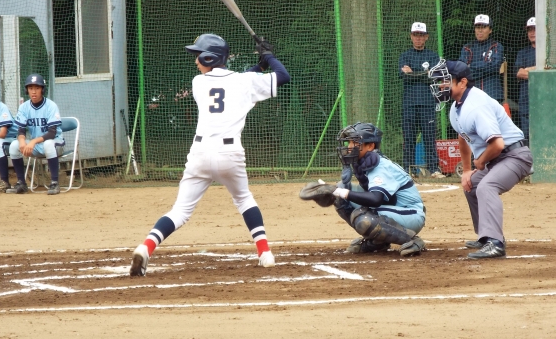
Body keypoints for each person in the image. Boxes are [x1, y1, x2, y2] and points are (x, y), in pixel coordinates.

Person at [129, 34, 290, 276]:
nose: (196, 61)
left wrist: (260, 64)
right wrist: (268, 57)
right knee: (244, 200)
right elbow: (282, 76)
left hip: (200, 155)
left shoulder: (199, 83)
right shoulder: (243, 82)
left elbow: (237, 81)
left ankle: (146, 247)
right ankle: (265, 253)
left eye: (199, 56)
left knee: (180, 211)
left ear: (209, 58)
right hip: (230, 154)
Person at [429, 60, 533, 259]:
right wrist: (467, 170)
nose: (441, 86)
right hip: (497, 159)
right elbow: (463, 137)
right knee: (472, 185)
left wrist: (480, 161)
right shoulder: (457, 108)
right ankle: (486, 236)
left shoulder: (476, 106)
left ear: (462, 83)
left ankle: (496, 243)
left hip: (515, 156)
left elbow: (498, 144)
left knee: (486, 187)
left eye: (446, 81)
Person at [300, 123, 426, 256]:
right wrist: (333, 193)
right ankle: (378, 241)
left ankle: (411, 239)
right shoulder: (366, 162)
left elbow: (376, 199)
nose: (349, 146)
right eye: (349, 142)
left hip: (410, 214)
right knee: (340, 191)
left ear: (370, 146)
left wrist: (341, 192)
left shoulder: (381, 167)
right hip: (393, 209)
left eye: (355, 142)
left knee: (363, 218)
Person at [6, 74, 65, 195]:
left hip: (55, 144)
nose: (33, 91)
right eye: (31, 88)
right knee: (14, 145)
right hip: (37, 145)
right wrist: (22, 142)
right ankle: (21, 183)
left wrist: (32, 141)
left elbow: (52, 133)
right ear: (26, 90)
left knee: (48, 144)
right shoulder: (24, 107)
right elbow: (21, 130)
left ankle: (54, 183)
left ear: (42, 89)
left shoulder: (51, 106)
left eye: (37, 88)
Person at [398, 22, 444, 178]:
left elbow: (435, 77)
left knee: (429, 137)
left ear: (426, 37)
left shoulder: (433, 56)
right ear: (411, 36)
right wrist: (424, 73)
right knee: (409, 138)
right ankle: (408, 169)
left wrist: (413, 73)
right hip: (409, 104)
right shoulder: (405, 56)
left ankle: (434, 169)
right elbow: (404, 76)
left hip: (428, 103)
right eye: (415, 35)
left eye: (421, 35)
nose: (418, 38)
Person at [460, 14, 505, 103]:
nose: (480, 30)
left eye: (484, 27)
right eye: (477, 27)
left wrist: (470, 66)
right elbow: (462, 70)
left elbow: (495, 66)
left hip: (492, 94)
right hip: (471, 94)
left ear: (490, 30)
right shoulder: (467, 48)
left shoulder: (496, 46)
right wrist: (485, 66)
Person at [514, 17, 536, 141]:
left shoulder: (548, 52)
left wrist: (528, 69)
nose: (532, 33)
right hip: (525, 100)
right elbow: (519, 73)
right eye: (529, 30)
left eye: (535, 29)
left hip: (545, 99)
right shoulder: (522, 53)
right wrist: (538, 69)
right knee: (527, 136)